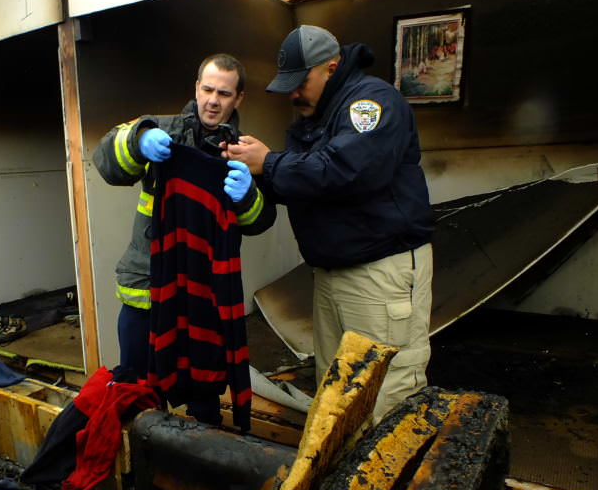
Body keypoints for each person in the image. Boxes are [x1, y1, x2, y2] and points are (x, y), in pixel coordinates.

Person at [226, 26, 434, 424]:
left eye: (300, 82)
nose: (293, 94)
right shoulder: (312, 118)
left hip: (378, 271)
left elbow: (347, 171)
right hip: (331, 274)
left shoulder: (371, 103)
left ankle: (387, 484)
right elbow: (308, 183)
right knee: (335, 387)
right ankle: (343, 479)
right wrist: (254, 180)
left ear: (332, 68)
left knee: (385, 391)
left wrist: (268, 163)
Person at [93, 53, 275, 382]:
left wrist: (247, 195)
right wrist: (137, 142)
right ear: (196, 88)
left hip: (204, 296)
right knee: (135, 388)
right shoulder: (159, 130)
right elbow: (105, 162)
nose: (213, 101)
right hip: (147, 290)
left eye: (224, 94)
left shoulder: (243, 152)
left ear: (239, 98)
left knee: (202, 392)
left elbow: (261, 221)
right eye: (208, 90)